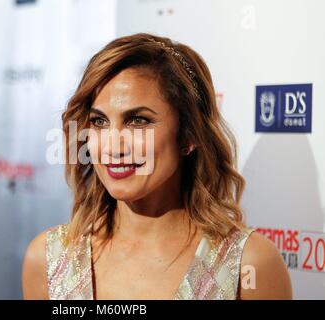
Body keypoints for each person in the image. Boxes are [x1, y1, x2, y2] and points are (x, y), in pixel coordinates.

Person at [21, 33, 292, 300]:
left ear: (188, 135)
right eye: (99, 122)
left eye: (138, 121)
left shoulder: (248, 265)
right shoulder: (50, 259)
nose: (113, 147)